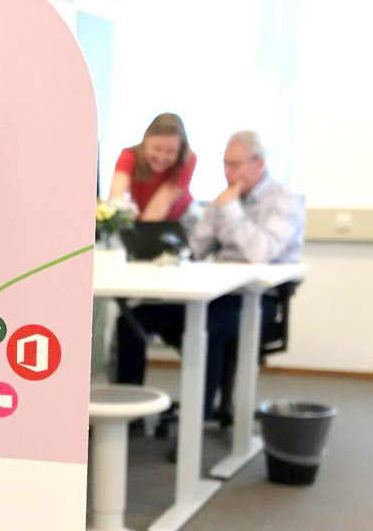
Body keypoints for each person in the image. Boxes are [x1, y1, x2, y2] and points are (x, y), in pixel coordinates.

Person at [116, 130, 305, 422]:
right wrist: (173, 241)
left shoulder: (285, 199)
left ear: (258, 163)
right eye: (225, 164)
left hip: (257, 299)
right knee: (133, 319)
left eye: (235, 165)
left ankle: (196, 419)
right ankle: (128, 415)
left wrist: (230, 208)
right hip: (215, 293)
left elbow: (260, 252)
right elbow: (195, 248)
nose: (228, 172)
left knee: (206, 327)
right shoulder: (224, 199)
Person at [108, 113, 197, 222]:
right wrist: (120, 212)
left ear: (180, 150)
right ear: (146, 141)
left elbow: (163, 201)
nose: (161, 157)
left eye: (170, 151)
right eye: (157, 148)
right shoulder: (129, 156)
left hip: (181, 218)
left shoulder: (188, 159)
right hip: (144, 217)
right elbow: (116, 193)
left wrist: (143, 229)